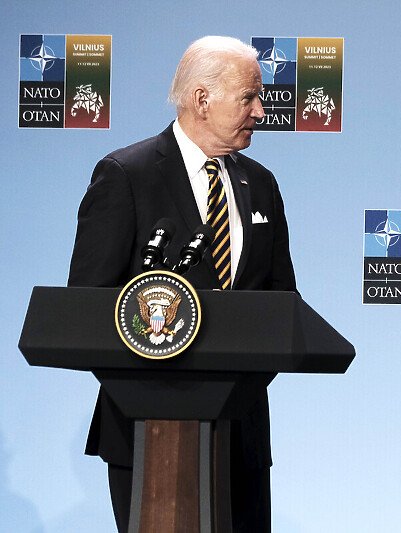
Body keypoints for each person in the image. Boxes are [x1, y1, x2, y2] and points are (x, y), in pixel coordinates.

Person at [67, 35, 296, 533]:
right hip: (147, 433)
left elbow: (282, 306)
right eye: (249, 97)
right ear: (201, 99)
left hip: (242, 434)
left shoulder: (261, 183)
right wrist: (162, 392)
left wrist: (235, 389)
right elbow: (87, 310)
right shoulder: (126, 175)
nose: (261, 110)